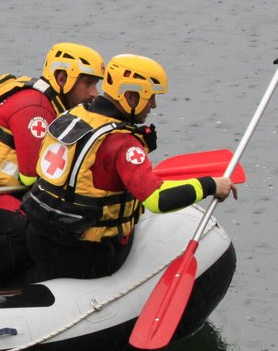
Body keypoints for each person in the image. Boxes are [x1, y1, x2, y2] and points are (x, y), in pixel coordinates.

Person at [24, 53, 233, 281]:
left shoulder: (72, 114)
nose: (153, 105)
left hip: (38, 239)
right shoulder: (123, 143)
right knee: (143, 220)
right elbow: (157, 200)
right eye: (150, 97)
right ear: (130, 97)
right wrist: (211, 185)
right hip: (86, 257)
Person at [0, 42, 105, 287]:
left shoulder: (49, 103)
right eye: (88, 84)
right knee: (29, 231)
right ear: (62, 78)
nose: (94, 93)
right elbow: (35, 179)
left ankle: (16, 282)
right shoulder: (35, 109)